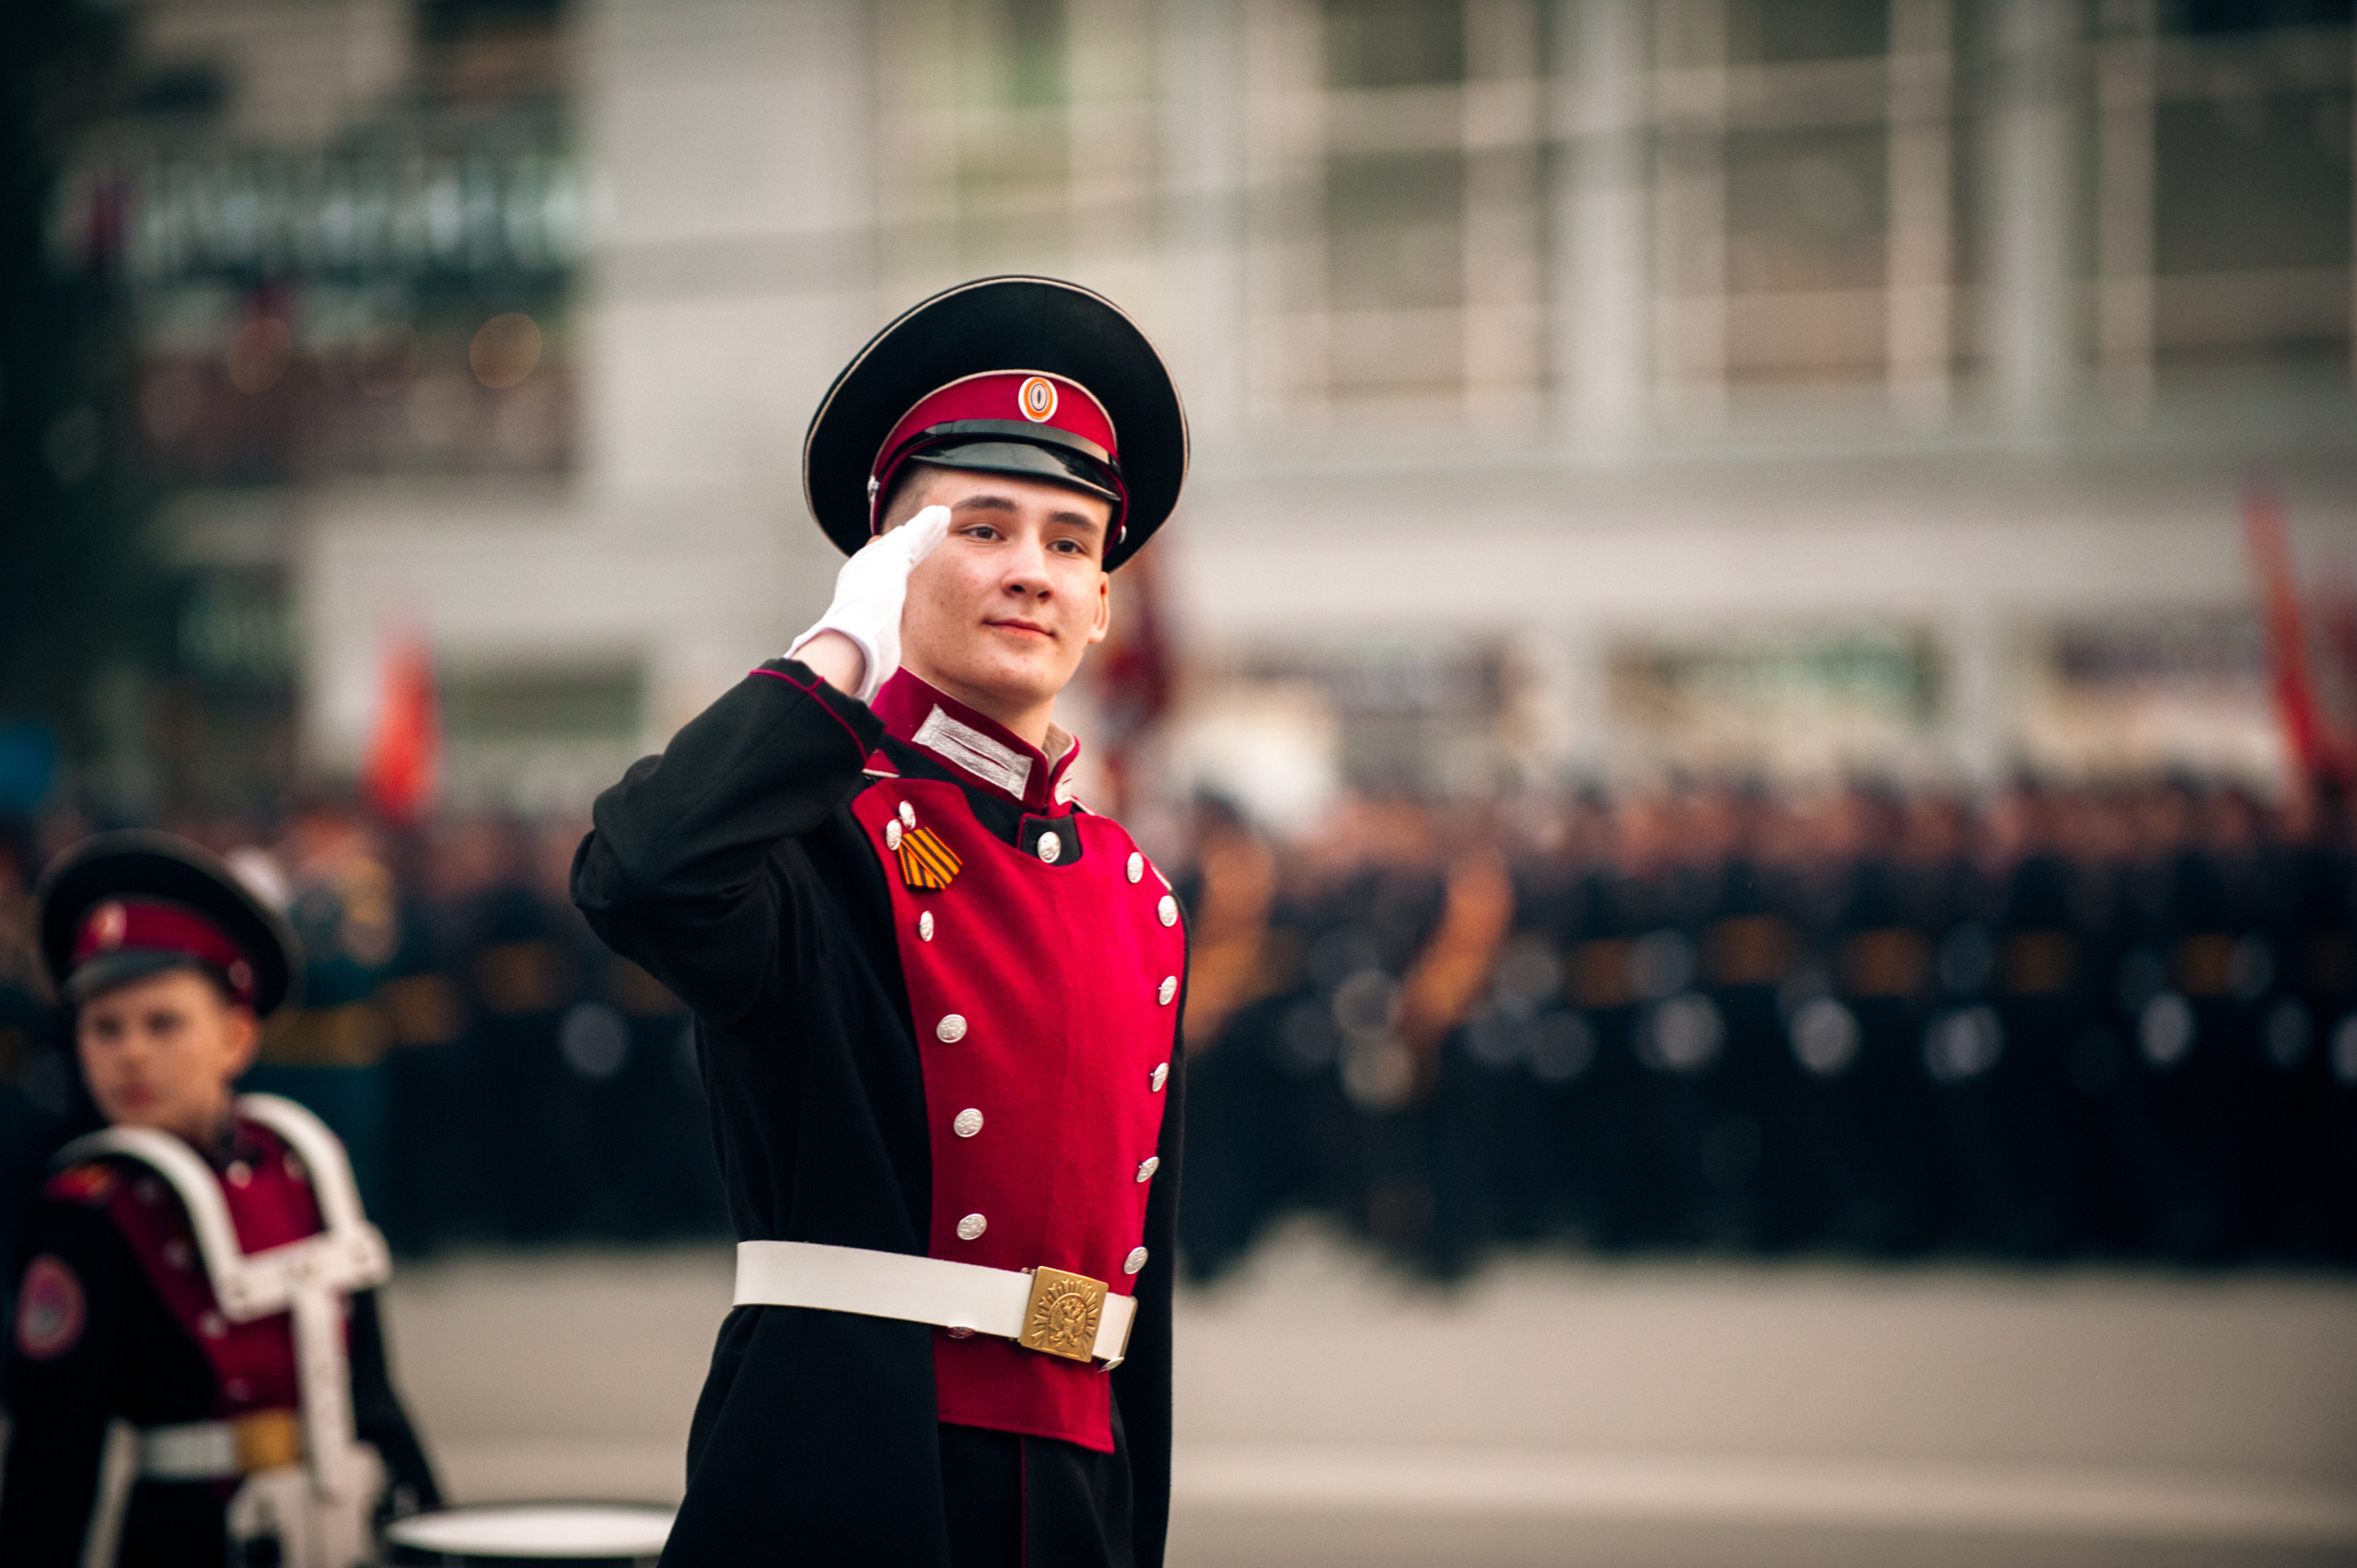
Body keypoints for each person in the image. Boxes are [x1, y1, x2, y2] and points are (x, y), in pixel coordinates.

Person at [573, 276, 1190, 1568]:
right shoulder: (815, 833)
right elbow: (639, 873)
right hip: (845, 1463)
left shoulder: (1134, 885)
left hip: (1072, 1480)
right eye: (982, 527)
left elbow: (1140, 1293)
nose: (1032, 570)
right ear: (884, 564)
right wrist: (831, 666)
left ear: (1102, 604)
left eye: (1072, 543)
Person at [0, 831, 439, 1567]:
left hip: (335, 1530)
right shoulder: (90, 1209)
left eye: (163, 1023)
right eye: (105, 1028)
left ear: (236, 1036)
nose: (131, 1053)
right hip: (188, 1541)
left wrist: (428, 1529)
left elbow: (376, 1399)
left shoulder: (301, 1163)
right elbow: (54, 1462)